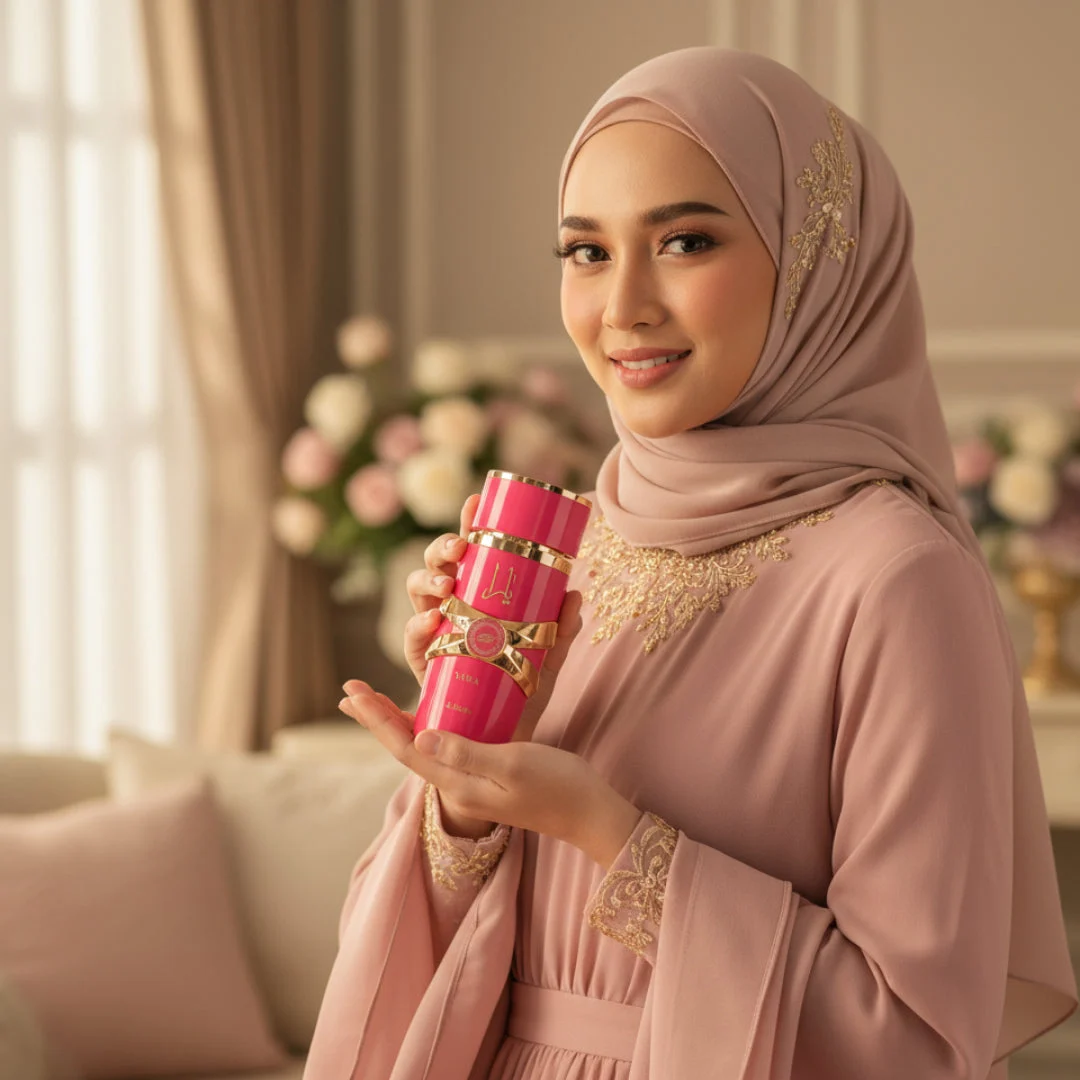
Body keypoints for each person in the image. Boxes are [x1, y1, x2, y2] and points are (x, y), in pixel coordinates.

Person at [302, 46, 1078, 1080]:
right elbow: (414, 951)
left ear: (815, 263)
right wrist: (467, 784)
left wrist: (602, 829)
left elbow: (911, 1040)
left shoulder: (899, 578)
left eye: (685, 241)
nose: (623, 305)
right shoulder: (574, 541)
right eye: (586, 251)